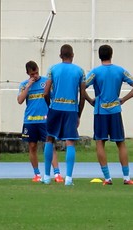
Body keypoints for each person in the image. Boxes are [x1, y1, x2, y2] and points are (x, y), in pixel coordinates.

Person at [85, 44, 133, 185]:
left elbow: (82, 86)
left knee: (100, 142)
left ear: (99, 56)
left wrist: (90, 100)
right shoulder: (120, 71)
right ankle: (126, 178)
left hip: (100, 112)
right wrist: (123, 99)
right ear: (111, 54)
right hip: (115, 111)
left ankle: (107, 178)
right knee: (121, 143)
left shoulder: (95, 72)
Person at [42, 44, 85, 186]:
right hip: (71, 109)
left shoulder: (52, 69)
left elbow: (46, 92)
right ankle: (68, 179)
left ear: (60, 56)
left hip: (55, 107)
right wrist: (79, 113)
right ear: (73, 55)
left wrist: (50, 106)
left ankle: (47, 176)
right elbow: (83, 95)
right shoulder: (79, 71)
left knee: (49, 139)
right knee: (70, 141)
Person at [17, 61, 63, 183]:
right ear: (28, 73)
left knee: (49, 146)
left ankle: (57, 173)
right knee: (32, 146)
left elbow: (53, 97)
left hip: (45, 120)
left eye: (36, 72)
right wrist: (28, 86)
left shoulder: (45, 82)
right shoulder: (23, 85)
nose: (35, 75)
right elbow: (20, 100)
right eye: (32, 74)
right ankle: (37, 174)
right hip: (30, 121)